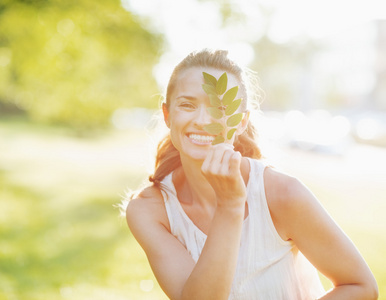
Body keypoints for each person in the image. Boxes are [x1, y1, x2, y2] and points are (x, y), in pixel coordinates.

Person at [125, 49, 378, 299]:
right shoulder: (149, 210)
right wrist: (230, 206)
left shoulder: (282, 194)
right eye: (187, 105)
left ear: (241, 123)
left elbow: (361, 286)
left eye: (220, 108)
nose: (202, 120)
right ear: (168, 115)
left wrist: (231, 202)